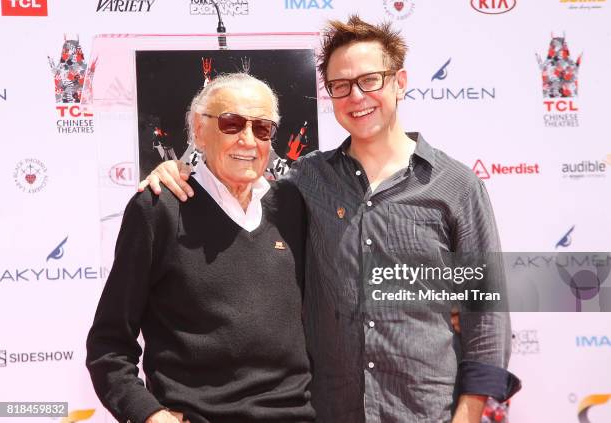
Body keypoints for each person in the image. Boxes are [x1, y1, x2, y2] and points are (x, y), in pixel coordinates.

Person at [140, 16, 520, 423]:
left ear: (400, 82)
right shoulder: (304, 180)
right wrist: (173, 171)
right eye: (341, 86)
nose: (356, 96)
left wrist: (467, 415)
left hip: (425, 411)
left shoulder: (457, 187)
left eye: (370, 80)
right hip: (328, 411)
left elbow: (487, 315)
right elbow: (234, 176)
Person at [86, 73, 315, 423]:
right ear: (200, 128)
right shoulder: (159, 208)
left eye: (262, 129)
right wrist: (148, 414)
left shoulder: (292, 206)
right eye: (232, 123)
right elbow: (108, 344)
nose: (248, 140)